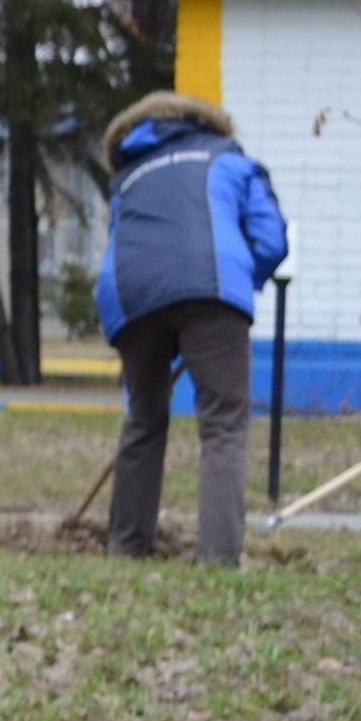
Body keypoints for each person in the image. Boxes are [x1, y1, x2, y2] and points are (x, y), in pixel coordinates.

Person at [94, 91, 288, 566]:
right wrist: (237, 287)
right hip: (211, 284)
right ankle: (219, 559)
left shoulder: (129, 178)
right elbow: (270, 238)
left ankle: (126, 547)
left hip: (131, 294)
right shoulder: (230, 159)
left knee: (143, 418)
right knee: (223, 424)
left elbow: (123, 247)